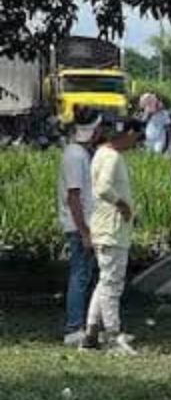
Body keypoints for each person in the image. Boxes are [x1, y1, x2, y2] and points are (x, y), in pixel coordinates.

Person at [82, 118, 144, 354]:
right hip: (112, 229)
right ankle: (112, 336)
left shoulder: (101, 153)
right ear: (128, 133)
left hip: (105, 227)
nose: (135, 143)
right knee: (112, 285)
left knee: (105, 282)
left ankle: (90, 335)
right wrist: (123, 205)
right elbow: (104, 188)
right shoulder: (112, 157)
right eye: (136, 137)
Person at [60, 112, 102, 347]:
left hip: (86, 224)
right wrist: (85, 231)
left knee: (86, 274)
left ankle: (85, 324)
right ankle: (74, 328)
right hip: (79, 226)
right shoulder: (75, 156)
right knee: (80, 275)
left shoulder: (81, 154)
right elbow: (74, 196)